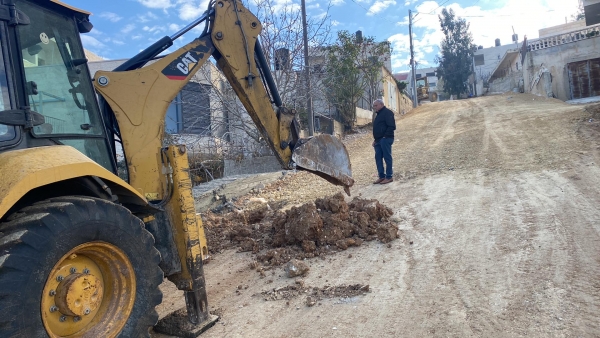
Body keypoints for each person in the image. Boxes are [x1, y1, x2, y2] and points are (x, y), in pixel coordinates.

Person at [371, 99, 396, 184]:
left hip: (385, 139)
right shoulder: (378, 114)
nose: (374, 107)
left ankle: (389, 176)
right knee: (378, 158)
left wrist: (385, 137)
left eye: (376, 105)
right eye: (374, 106)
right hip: (378, 141)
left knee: (387, 157)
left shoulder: (388, 113)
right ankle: (381, 176)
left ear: (381, 105)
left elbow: (392, 126)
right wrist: (375, 140)